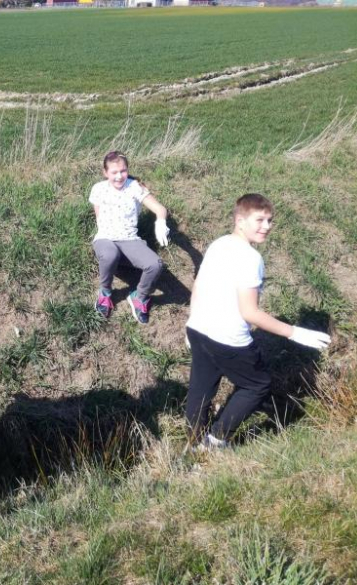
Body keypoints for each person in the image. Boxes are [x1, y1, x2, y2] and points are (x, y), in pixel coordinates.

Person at [185, 193, 331, 450]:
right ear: (240, 220)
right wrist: (294, 332)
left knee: (201, 385)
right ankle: (216, 440)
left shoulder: (219, 243)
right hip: (227, 338)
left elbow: (197, 284)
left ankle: (194, 439)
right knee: (256, 385)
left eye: (270, 220)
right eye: (260, 220)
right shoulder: (251, 259)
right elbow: (250, 313)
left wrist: (191, 321)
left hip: (198, 329)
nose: (267, 226)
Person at [89, 151, 170, 324]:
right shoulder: (98, 188)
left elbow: (160, 209)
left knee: (155, 265)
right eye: (114, 172)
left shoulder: (135, 187)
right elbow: (99, 217)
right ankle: (105, 292)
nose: (119, 176)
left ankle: (139, 297)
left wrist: (161, 221)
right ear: (105, 173)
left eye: (123, 171)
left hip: (130, 239)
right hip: (106, 238)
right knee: (110, 254)